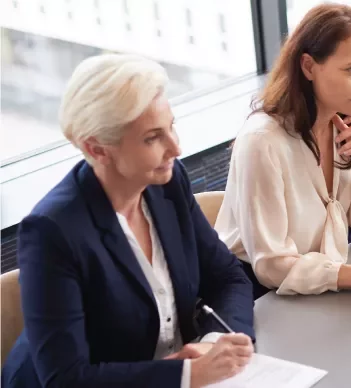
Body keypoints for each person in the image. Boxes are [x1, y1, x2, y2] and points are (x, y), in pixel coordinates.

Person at [0, 54, 256, 388]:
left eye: (171, 127)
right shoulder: (52, 231)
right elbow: (66, 378)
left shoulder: (166, 183)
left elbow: (227, 277)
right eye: (152, 138)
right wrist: (187, 375)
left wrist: (211, 346)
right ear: (97, 149)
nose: (175, 148)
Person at [214, 4, 351, 296]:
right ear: (309, 66)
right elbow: (271, 266)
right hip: (260, 298)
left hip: (320, 287)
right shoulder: (263, 141)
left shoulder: (345, 121)